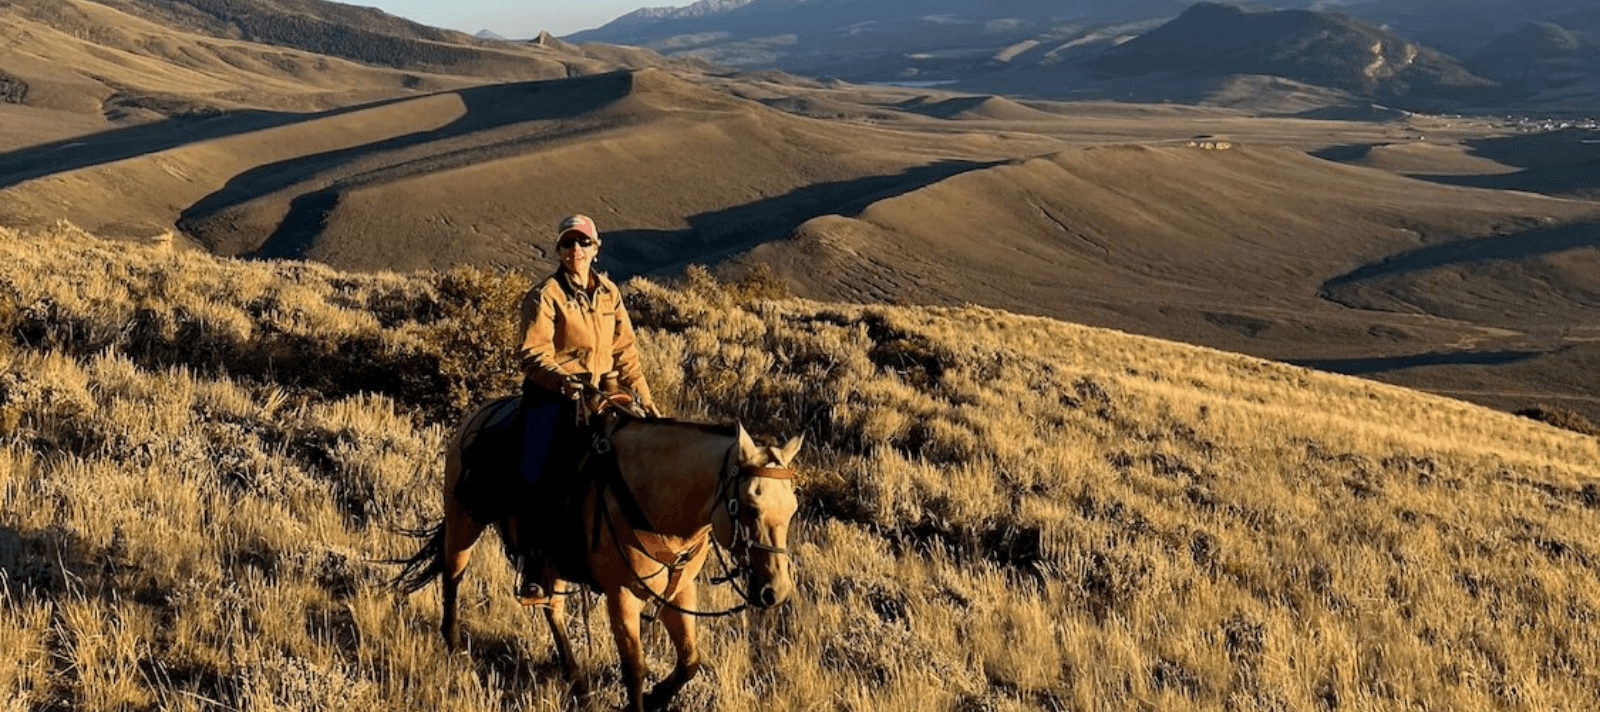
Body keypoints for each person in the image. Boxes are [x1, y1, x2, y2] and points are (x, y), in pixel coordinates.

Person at [512, 214, 660, 603]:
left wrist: (643, 396)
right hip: (552, 394)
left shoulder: (610, 293)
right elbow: (532, 353)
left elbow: (624, 349)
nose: (575, 250)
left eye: (583, 242)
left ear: (596, 248)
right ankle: (535, 566)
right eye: (568, 243)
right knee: (535, 471)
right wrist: (563, 380)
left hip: (603, 393)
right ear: (559, 249)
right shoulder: (545, 295)